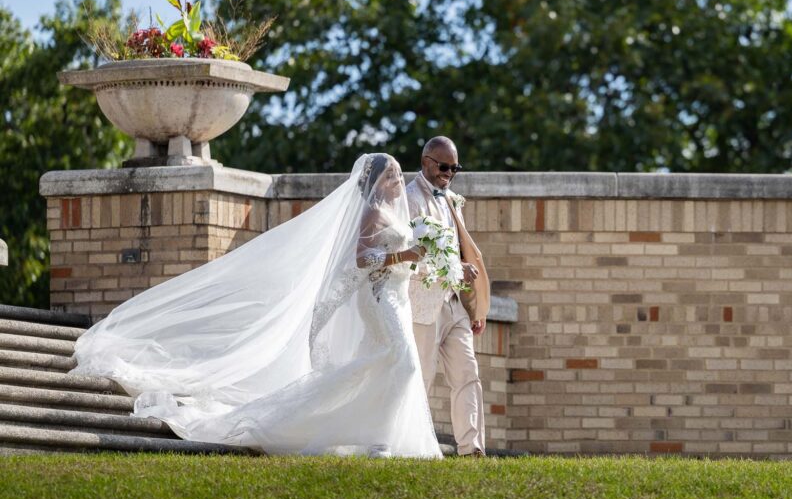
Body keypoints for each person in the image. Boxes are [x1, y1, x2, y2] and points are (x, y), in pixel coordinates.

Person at [71, 153, 442, 458]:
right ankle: (379, 441)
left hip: (399, 297)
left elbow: (401, 255)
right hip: (378, 299)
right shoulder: (372, 214)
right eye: (391, 174)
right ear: (375, 181)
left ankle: (371, 432)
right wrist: (405, 254)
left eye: (397, 173)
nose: (397, 179)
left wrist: (427, 263)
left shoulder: (400, 216)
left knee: (381, 364)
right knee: (405, 363)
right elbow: (363, 260)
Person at [407, 137, 490, 456]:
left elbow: (461, 251)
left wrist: (475, 307)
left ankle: (472, 447)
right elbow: (408, 258)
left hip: (455, 303)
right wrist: (454, 267)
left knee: (468, 373)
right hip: (423, 304)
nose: (449, 173)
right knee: (422, 377)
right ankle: (413, 442)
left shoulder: (452, 200)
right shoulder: (410, 198)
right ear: (426, 161)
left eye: (455, 168)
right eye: (444, 167)